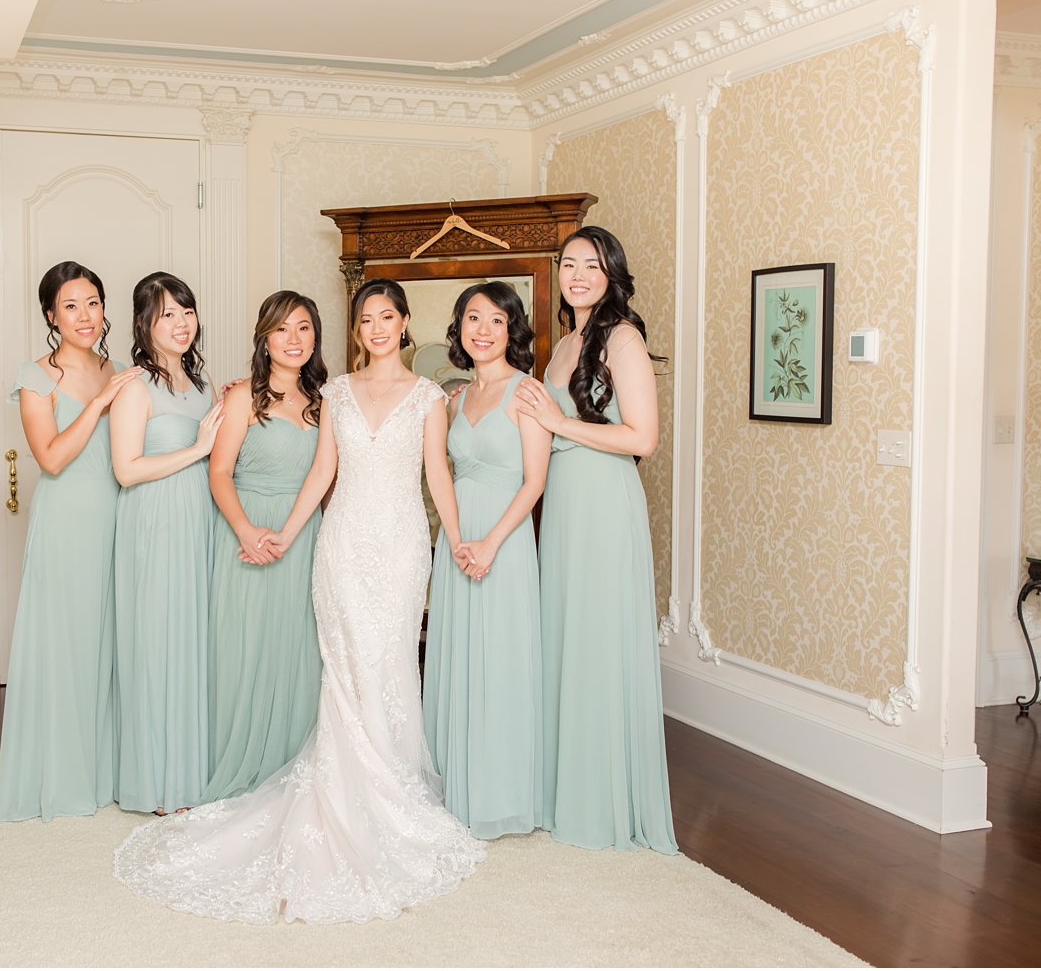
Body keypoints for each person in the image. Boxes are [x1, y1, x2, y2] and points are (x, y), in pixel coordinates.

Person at [113, 278, 485, 924]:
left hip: (399, 547)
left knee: (391, 662)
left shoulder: (428, 397)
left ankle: (393, 790)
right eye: (364, 318)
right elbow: (320, 474)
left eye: (386, 316)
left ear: (404, 325)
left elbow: (437, 475)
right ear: (356, 329)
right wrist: (285, 533)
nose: (375, 327)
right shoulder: (334, 394)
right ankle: (344, 791)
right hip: (337, 545)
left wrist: (457, 540)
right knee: (342, 669)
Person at [515, 225, 678, 854]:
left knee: (599, 639)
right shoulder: (562, 345)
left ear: (612, 273)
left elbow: (643, 438)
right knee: (567, 638)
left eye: (592, 264)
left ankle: (604, 800)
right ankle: (566, 789)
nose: (578, 274)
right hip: (563, 504)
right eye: (569, 263)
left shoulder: (622, 337)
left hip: (605, 503)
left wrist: (559, 422)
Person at [0, 261, 141, 822]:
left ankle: (104, 768)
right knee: (67, 644)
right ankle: (59, 774)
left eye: (94, 303)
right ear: (51, 314)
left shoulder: (122, 369)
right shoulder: (36, 377)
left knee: (109, 644)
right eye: (71, 305)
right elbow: (51, 458)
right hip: (65, 523)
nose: (86, 316)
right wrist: (99, 403)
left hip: (119, 518)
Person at [423, 281, 549, 839]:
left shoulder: (528, 393)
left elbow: (535, 482)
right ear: (459, 328)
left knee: (501, 656)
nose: (482, 330)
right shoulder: (452, 398)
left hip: (505, 539)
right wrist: (456, 540)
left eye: (496, 320)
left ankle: (503, 791)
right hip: (457, 541)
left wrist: (492, 542)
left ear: (511, 330)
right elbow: (440, 473)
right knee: (457, 654)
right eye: (472, 318)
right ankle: (458, 781)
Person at [199, 291, 327, 803]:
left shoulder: (325, 399)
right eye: (281, 329)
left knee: (297, 651)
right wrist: (246, 531)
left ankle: (290, 762)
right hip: (247, 534)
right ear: (264, 338)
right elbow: (220, 471)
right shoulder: (242, 397)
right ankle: (236, 759)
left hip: (301, 535)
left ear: (315, 336)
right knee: (244, 648)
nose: (293, 339)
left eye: (303, 328)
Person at [109, 272, 225, 816]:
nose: (181, 323)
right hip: (154, 522)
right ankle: (157, 781)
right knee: (157, 641)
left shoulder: (204, 387)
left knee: (192, 639)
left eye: (187, 311)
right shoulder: (135, 386)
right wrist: (199, 446)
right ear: (144, 324)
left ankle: (189, 770)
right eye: (166, 315)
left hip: (198, 520)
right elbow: (126, 470)